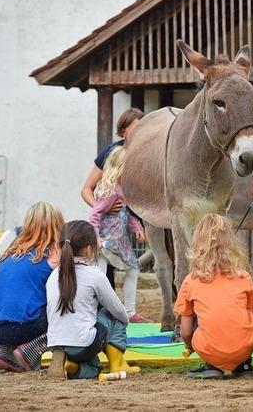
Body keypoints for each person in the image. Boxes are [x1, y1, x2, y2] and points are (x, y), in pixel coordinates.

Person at [46, 220, 139, 380]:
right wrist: (124, 323)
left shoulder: (53, 276)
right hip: (83, 344)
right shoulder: (94, 275)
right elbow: (117, 310)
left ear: (60, 247)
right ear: (89, 249)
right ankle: (117, 364)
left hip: (56, 342)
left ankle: (70, 365)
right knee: (115, 315)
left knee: (94, 366)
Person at [174, 214, 253, 379]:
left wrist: (191, 346)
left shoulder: (191, 281)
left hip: (209, 347)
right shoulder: (244, 277)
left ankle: (212, 364)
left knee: (197, 315)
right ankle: (243, 365)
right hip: (245, 346)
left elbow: (185, 332)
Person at [0, 202, 63, 372]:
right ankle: (30, 352)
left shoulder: (13, 253)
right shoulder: (56, 253)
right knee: (66, 311)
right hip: (19, 326)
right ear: (59, 225)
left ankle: (3, 351)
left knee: (19, 304)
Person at [81, 107, 144, 287]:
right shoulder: (113, 153)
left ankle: (127, 309)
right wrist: (103, 207)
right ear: (123, 131)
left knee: (132, 268)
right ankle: (104, 308)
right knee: (105, 269)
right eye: (136, 128)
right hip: (110, 225)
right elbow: (86, 189)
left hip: (132, 221)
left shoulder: (146, 153)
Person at [88, 146, 149, 323]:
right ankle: (93, 312)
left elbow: (124, 213)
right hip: (106, 241)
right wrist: (96, 238)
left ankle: (129, 311)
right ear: (120, 167)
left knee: (132, 269)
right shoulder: (111, 191)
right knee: (99, 275)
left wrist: (136, 227)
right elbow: (94, 216)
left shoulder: (120, 189)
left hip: (118, 242)